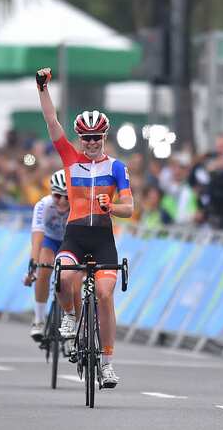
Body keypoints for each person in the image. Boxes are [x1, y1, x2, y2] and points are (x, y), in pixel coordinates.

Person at [36, 68, 132, 390]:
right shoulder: (71, 159)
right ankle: (70, 316)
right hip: (75, 235)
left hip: (103, 238)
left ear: (104, 138)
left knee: (104, 295)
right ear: (80, 139)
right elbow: (52, 123)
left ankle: (107, 364)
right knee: (62, 276)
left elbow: (130, 209)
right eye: (86, 138)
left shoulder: (117, 168)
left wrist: (111, 208)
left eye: (96, 138)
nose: (91, 143)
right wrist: (43, 89)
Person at [25, 169, 70, 341]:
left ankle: (70, 318)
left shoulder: (79, 205)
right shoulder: (43, 205)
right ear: (52, 193)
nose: (63, 201)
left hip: (70, 242)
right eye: (58, 196)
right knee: (44, 268)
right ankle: (39, 319)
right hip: (50, 240)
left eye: (68, 196)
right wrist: (32, 269)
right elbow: (37, 240)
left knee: (72, 275)